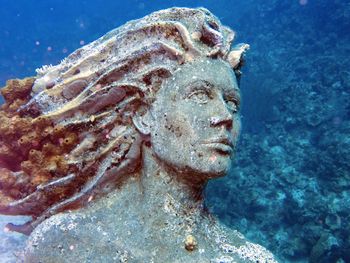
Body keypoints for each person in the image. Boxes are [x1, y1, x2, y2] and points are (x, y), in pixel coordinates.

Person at [0, 7, 277, 262]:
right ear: (144, 116)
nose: (226, 116)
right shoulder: (65, 242)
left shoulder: (251, 259)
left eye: (233, 103)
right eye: (200, 95)